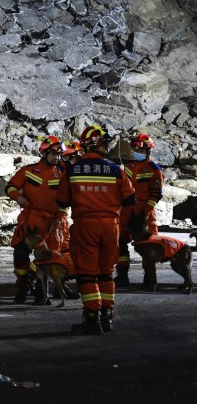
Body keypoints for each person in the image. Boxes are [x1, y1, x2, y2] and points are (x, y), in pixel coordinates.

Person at [57, 123, 136, 335]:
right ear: (100, 145)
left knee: (86, 274)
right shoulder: (116, 170)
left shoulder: (72, 170)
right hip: (111, 226)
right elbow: (130, 199)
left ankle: (91, 318)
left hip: (85, 226)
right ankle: (107, 317)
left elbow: (62, 201)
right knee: (106, 273)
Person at [6, 136, 69, 304]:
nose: (57, 157)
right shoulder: (28, 171)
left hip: (52, 223)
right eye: (53, 154)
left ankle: (42, 292)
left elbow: (67, 199)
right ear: (44, 153)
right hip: (30, 220)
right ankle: (22, 284)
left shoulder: (63, 174)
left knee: (48, 258)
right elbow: (10, 186)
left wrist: (60, 216)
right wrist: (18, 198)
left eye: (59, 154)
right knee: (20, 253)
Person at [114, 132, 164, 287]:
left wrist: (147, 212)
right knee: (120, 240)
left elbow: (156, 194)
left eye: (141, 150)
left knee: (147, 244)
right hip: (127, 209)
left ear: (147, 151)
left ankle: (149, 279)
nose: (138, 152)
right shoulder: (128, 167)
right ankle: (122, 275)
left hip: (145, 209)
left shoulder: (154, 169)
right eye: (135, 149)